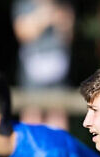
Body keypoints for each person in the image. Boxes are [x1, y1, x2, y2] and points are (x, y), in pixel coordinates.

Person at [11, 0, 74, 130]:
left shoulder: (62, 5)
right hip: (32, 71)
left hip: (58, 71)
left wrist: (60, 21)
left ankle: (58, 149)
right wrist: (43, 17)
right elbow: (23, 33)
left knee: (58, 113)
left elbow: (68, 35)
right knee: (32, 113)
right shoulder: (23, 5)